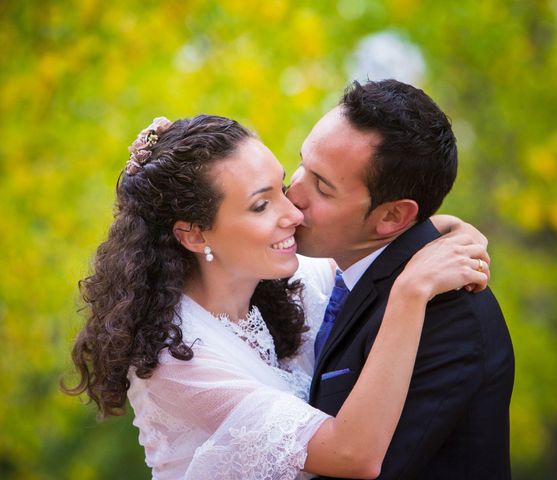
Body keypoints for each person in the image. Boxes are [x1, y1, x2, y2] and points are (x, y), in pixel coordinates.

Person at [63, 114, 491, 479]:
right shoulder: (176, 360)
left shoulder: (278, 282)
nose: (293, 213)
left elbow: (375, 247)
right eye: (260, 206)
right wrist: (410, 294)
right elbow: (352, 456)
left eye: (281, 188)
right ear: (193, 234)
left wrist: (454, 232)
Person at [287, 79, 515, 479]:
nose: (294, 192)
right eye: (302, 162)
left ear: (393, 217)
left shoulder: (446, 316)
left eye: (322, 187)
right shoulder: (342, 272)